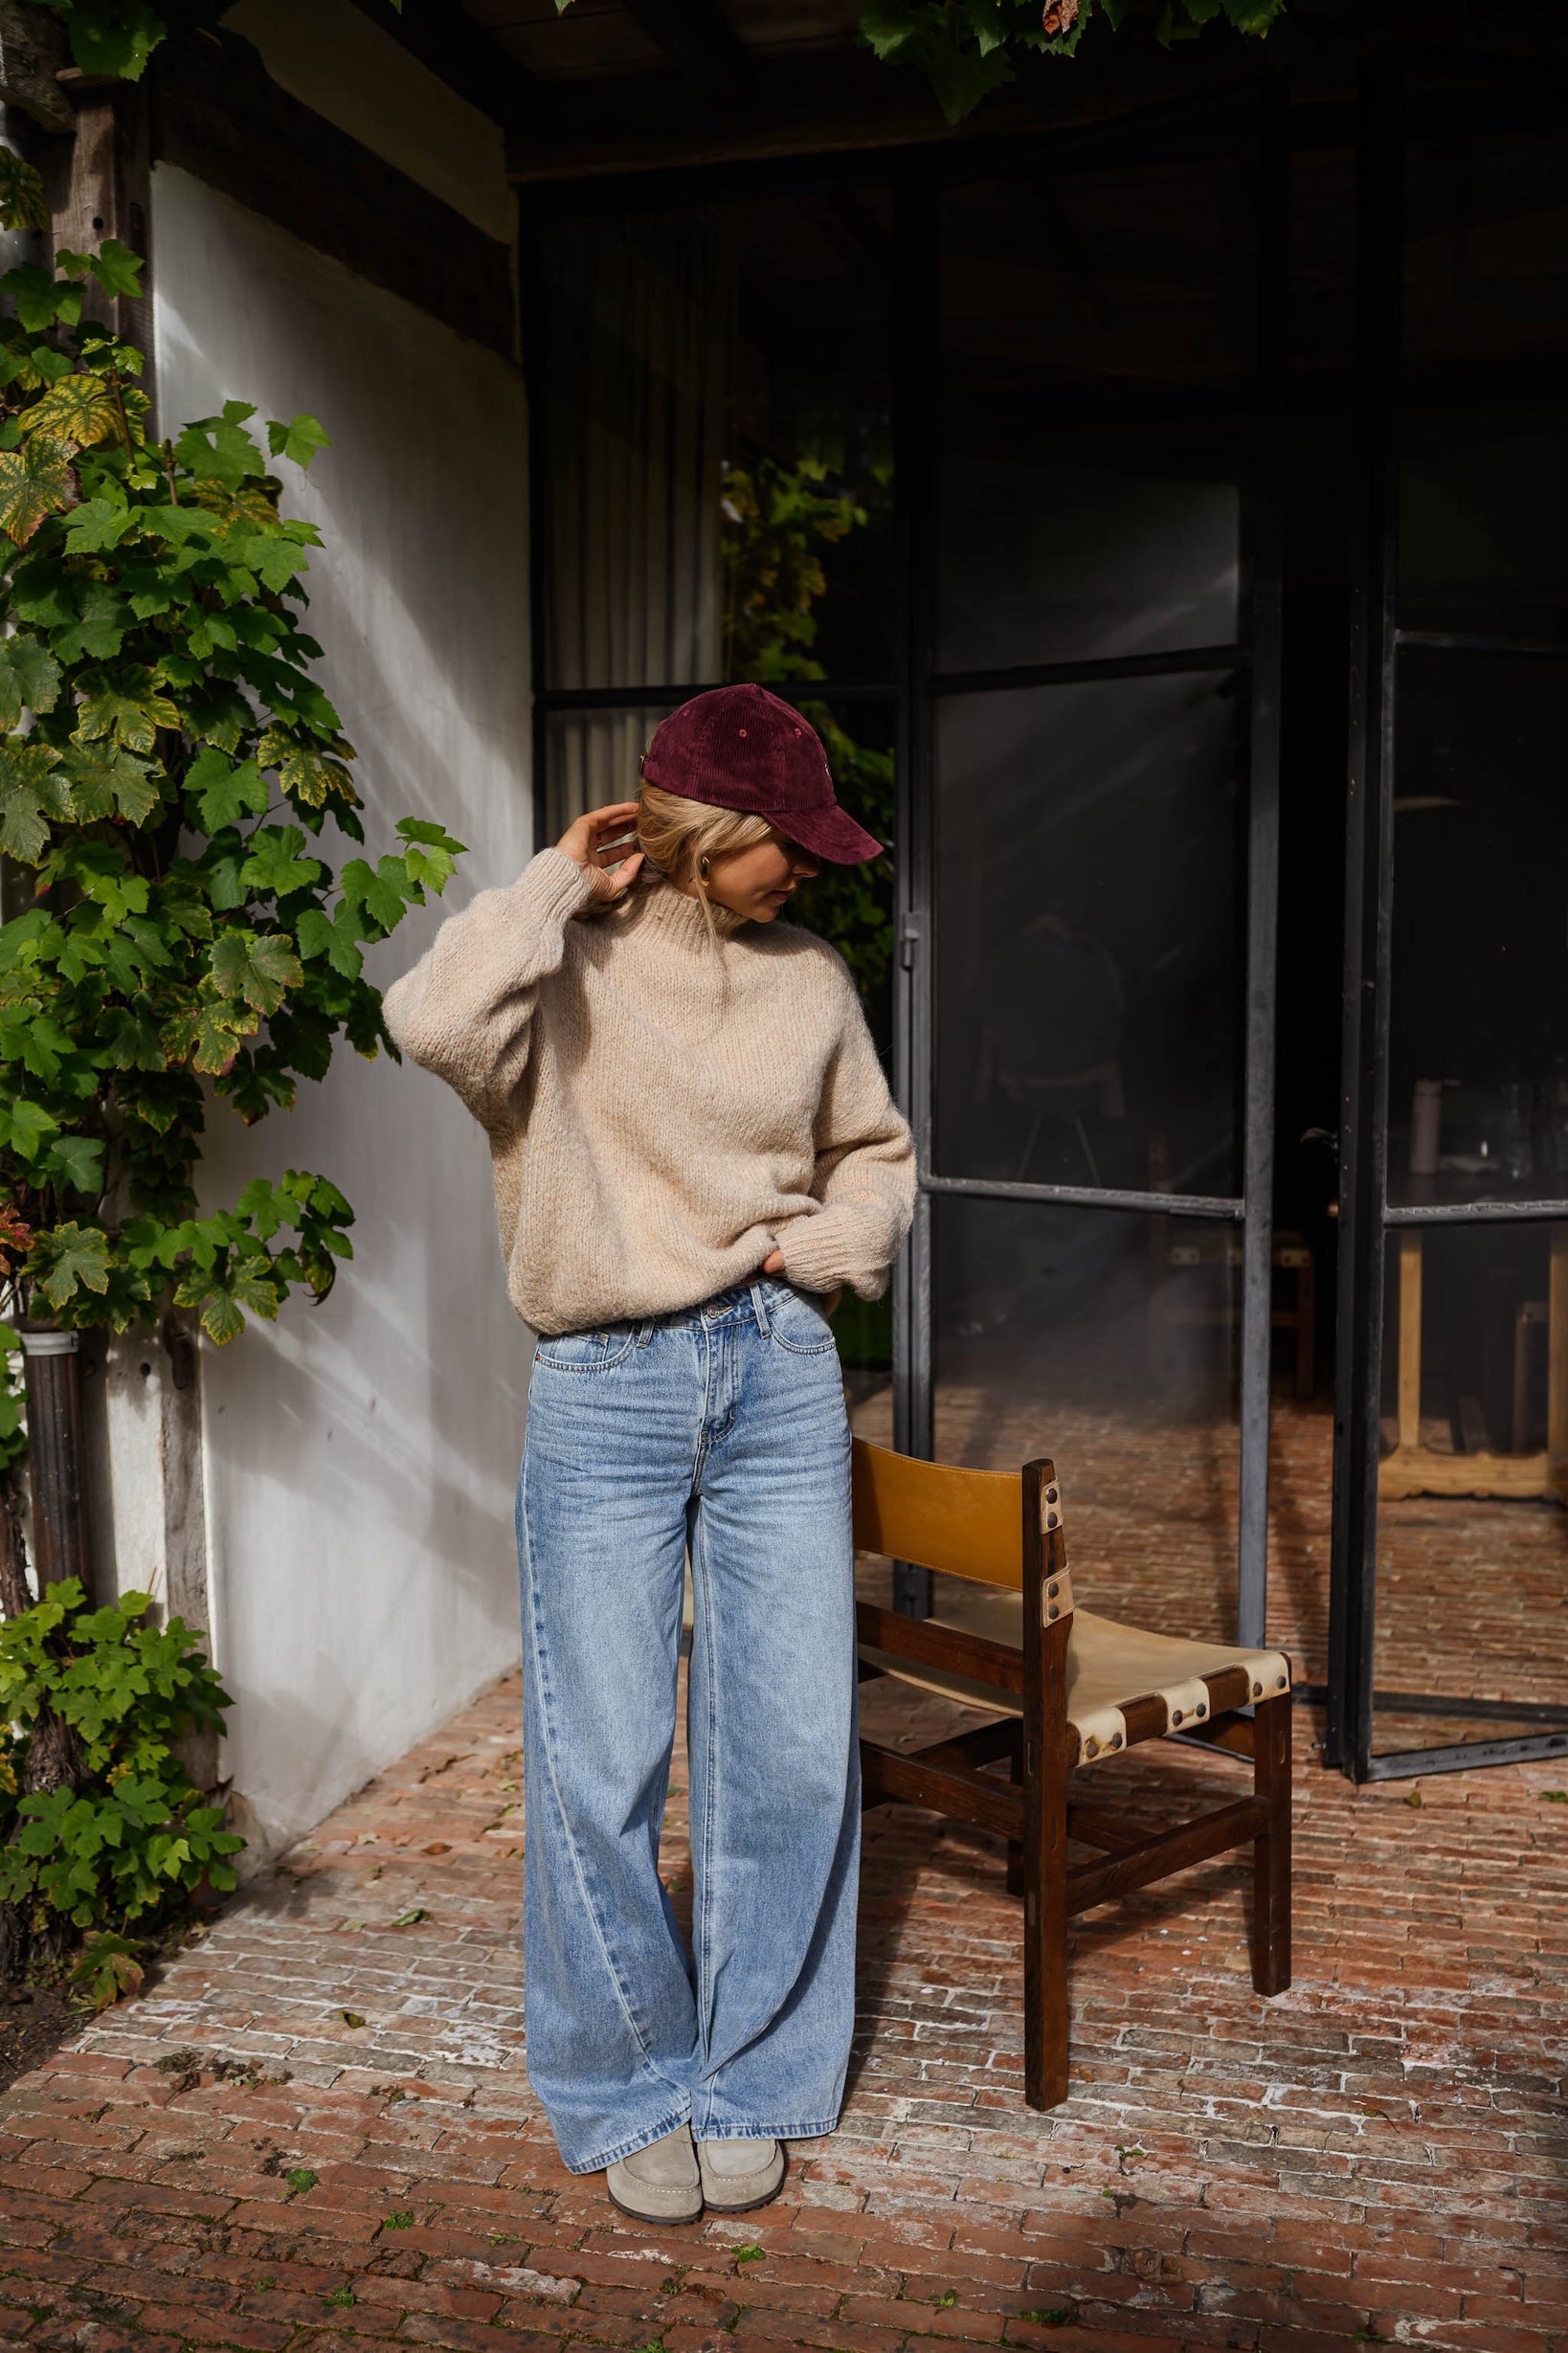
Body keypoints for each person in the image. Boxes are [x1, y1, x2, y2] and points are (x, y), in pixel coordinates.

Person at [383, 683, 914, 2225]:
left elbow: (874, 1153)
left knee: (792, 1745)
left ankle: (750, 2070)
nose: (807, 871)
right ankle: (625, 2079)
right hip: (605, 1386)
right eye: (786, 846)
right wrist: (556, 876)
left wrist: (819, 1248)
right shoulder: (560, 973)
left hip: (776, 1377)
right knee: (601, 1757)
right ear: (707, 834)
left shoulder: (810, 979)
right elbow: (424, 1020)